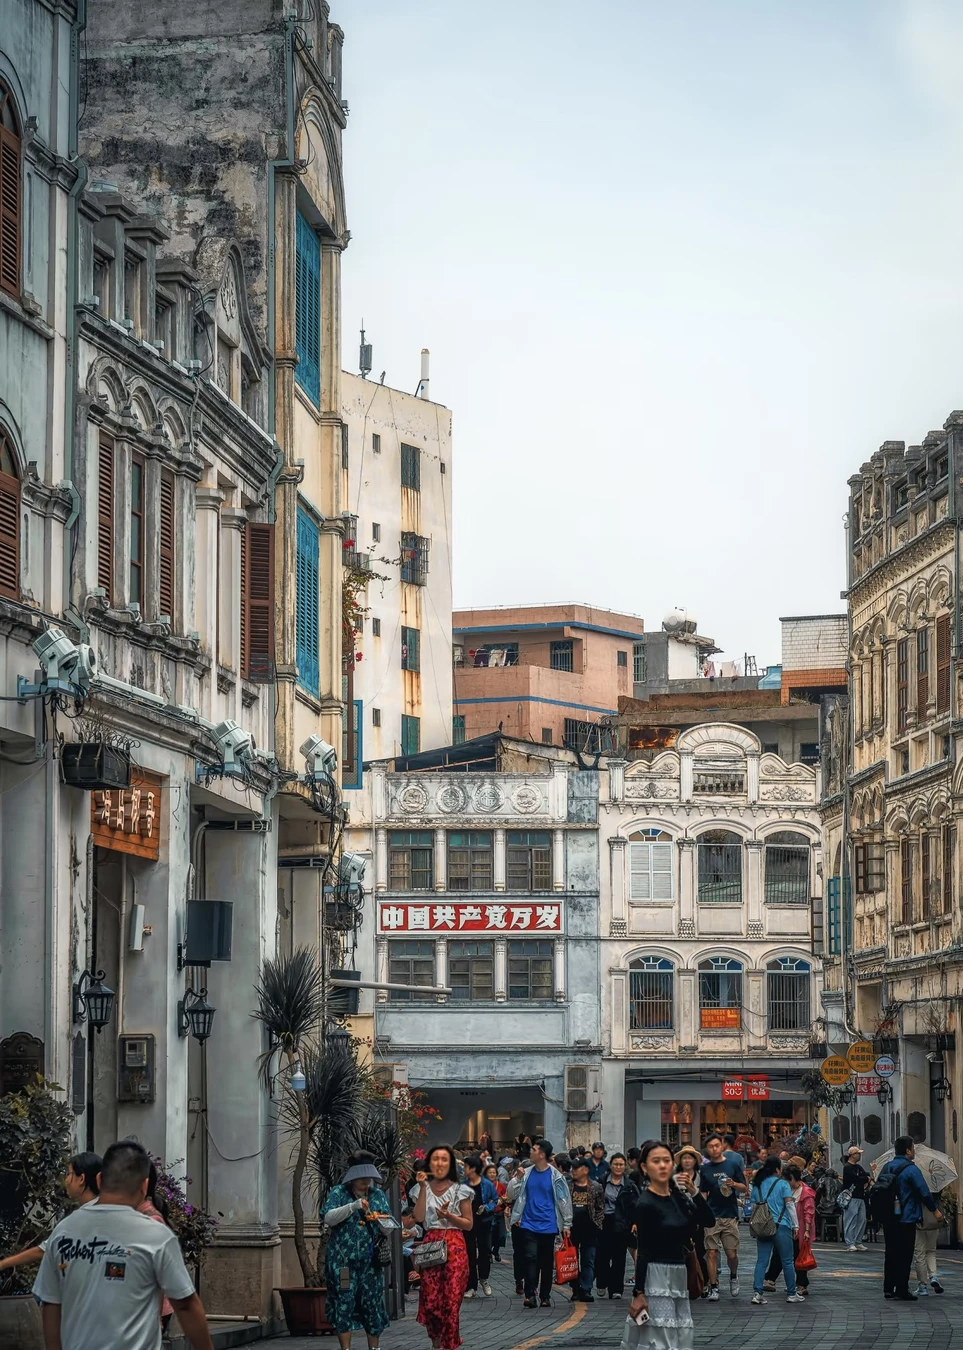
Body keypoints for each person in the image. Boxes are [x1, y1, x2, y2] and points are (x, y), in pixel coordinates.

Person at [32, 1138, 213, 1350]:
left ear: (99, 1179)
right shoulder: (156, 1236)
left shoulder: (63, 1231)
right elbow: (186, 1305)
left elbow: (51, 1303)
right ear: (144, 1186)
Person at [628, 1140, 714, 1350]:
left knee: (681, 1334)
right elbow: (643, 1250)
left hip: (679, 1272)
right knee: (660, 1337)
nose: (662, 1165)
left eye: (666, 1160)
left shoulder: (677, 1196)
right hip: (656, 1274)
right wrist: (638, 1292)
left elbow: (708, 1220)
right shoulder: (645, 1203)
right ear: (644, 1167)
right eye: (656, 1161)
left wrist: (694, 1192)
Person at [322, 1150, 392, 1350]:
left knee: (372, 1303)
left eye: (368, 1177)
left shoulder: (377, 1195)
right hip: (342, 1261)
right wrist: (353, 1207)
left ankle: (374, 1347)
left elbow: (387, 1228)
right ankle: (346, 1348)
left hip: (370, 1263)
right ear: (352, 1177)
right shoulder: (339, 1192)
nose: (365, 1181)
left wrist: (378, 1219)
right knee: (344, 1301)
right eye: (361, 1177)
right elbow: (328, 1218)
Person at [410, 1144, 474, 1350]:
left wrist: (448, 1216)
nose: (439, 1163)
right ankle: (436, 1344)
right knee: (431, 1301)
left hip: (454, 1246)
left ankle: (449, 1345)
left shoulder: (461, 1190)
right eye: (435, 1159)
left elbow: (468, 1224)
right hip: (431, 1245)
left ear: (451, 1164)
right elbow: (418, 1217)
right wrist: (422, 1188)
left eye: (444, 1159)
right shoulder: (421, 1189)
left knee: (451, 1301)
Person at [0, 1152, 101, 1280]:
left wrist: (3, 1264)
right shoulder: (109, 1209)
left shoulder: (78, 1219)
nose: (66, 1181)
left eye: (68, 1174)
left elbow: (42, 1250)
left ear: (81, 1179)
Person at [506, 1137, 572, 1309]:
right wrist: (517, 1179)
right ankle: (530, 1294)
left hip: (549, 1225)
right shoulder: (526, 1173)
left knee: (546, 1262)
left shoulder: (556, 1176)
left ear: (542, 1154)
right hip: (528, 1223)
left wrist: (567, 1224)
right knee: (530, 1258)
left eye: (534, 1150)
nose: (531, 1152)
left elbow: (564, 1200)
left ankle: (545, 1296)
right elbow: (511, 1194)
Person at [877, 1136, 942, 1301]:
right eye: (913, 1148)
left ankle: (888, 1288)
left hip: (889, 1217)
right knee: (905, 1254)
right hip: (907, 1216)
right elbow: (923, 1191)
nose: (914, 1151)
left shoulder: (887, 1167)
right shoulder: (912, 1169)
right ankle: (901, 1288)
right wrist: (934, 1210)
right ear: (907, 1150)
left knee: (890, 1252)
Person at [749, 1157, 803, 1305]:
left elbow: (753, 1207)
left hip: (763, 1227)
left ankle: (757, 1293)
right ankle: (791, 1293)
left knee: (762, 1261)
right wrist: (796, 1226)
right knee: (787, 1261)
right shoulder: (783, 1184)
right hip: (782, 1226)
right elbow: (790, 1206)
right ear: (778, 1169)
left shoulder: (758, 1184)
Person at [699, 1133, 747, 1300]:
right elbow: (703, 1192)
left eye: (716, 1145)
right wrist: (701, 1211)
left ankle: (733, 1275)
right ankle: (714, 1287)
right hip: (712, 1216)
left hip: (730, 1214)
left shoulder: (732, 1165)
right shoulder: (705, 1169)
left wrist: (734, 1184)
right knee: (711, 1252)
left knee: (731, 1254)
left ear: (722, 1146)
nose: (714, 1149)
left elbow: (744, 1188)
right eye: (710, 1146)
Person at [764, 1164, 814, 1297]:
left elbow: (808, 1212)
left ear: (791, 1178)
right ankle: (771, 1279)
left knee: (798, 1255)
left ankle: (801, 1284)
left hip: (800, 1230)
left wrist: (807, 1230)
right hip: (785, 1226)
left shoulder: (806, 1192)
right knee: (779, 1252)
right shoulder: (786, 1189)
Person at [595, 1152, 640, 1299]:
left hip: (622, 1223)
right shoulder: (601, 1181)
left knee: (619, 1257)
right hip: (603, 1221)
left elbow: (636, 1205)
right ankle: (602, 1283)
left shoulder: (629, 1185)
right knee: (602, 1256)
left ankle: (616, 1289)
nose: (618, 1167)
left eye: (621, 1164)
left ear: (625, 1166)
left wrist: (634, 1222)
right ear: (611, 1165)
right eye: (616, 1164)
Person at [567, 1156, 604, 1302]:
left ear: (585, 1170)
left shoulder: (596, 1187)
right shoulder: (568, 1186)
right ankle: (575, 1289)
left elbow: (600, 1207)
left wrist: (598, 1224)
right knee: (572, 1261)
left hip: (590, 1230)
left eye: (577, 1168)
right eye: (573, 1168)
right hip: (571, 1230)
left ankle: (586, 1289)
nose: (574, 1171)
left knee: (588, 1260)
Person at [462, 1155, 497, 1299]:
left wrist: (486, 1207)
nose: (464, 1169)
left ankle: (484, 1278)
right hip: (468, 1223)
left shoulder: (487, 1184)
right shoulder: (463, 1185)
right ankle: (471, 1286)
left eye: (466, 1167)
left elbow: (495, 1200)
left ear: (473, 1169)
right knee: (469, 1254)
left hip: (484, 1222)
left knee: (485, 1252)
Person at [673, 1147, 708, 1286]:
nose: (687, 1161)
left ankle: (702, 1281)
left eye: (690, 1158)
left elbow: (704, 1199)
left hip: (697, 1218)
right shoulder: (674, 1178)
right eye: (684, 1158)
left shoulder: (701, 1177)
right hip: (679, 1219)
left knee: (699, 1251)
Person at [841, 1146, 871, 1251]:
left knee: (861, 1220)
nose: (859, 1155)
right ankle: (850, 1242)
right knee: (851, 1220)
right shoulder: (847, 1167)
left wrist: (865, 1178)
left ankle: (858, 1241)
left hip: (860, 1196)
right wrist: (865, 1178)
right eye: (858, 1153)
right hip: (851, 1197)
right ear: (852, 1155)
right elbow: (857, 1179)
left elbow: (866, 1175)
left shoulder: (858, 1167)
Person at [914, 1202, 943, 1296]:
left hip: (919, 1219)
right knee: (931, 1251)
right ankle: (933, 1276)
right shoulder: (935, 1193)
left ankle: (922, 1286)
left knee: (920, 1254)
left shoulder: (919, 1191)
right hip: (933, 1219)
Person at [485, 1163, 508, 1263]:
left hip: (499, 1213)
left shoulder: (501, 1186)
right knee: (489, 1235)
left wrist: (505, 1202)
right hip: (488, 1214)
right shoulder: (483, 1185)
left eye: (494, 1172)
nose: (492, 1174)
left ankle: (496, 1250)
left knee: (501, 1235)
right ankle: (489, 1253)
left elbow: (507, 1197)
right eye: (490, 1172)